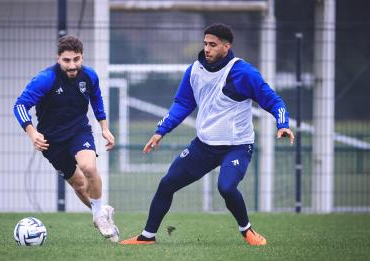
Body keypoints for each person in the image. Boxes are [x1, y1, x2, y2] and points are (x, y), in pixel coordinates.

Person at [120, 23, 294, 246]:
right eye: (205, 44)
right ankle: (147, 237)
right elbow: (182, 103)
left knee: (226, 187)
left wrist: (282, 123)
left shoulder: (243, 72)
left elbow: (273, 99)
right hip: (204, 147)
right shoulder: (194, 70)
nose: (208, 49)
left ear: (226, 46)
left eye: (213, 45)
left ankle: (247, 230)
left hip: (237, 146)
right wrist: (161, 131)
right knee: (166, 184)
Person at [13, 35, 118, 240]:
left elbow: (96, 99)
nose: (72, 65)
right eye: (67, 60)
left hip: (79, 131)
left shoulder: (89, 76)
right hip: (51, 141)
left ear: (82, 57)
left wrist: (104, 128)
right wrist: (32, 132)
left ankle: (99, 216)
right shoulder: (45, 79)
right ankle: (102, 211)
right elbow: (19, 105)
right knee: (79, 185)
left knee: (89, 167)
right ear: (58, 58)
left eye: (76, 59)